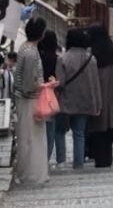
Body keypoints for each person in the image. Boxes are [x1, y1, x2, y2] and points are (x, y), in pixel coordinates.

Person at [13, 17, 56, 185]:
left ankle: (29, 173)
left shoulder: (25, 48)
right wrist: (46, 85)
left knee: (29, 137)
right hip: (29, 99)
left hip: (25, 98)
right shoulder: (31, 52)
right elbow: (29, 83)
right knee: (33, 138)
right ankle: (32, 174)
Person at [56, 28, 100, 170]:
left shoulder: (62, 58)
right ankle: (78, 164)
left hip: (66, 100)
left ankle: (61, 161)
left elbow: (60, 82)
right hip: (85, 101)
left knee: (60, 131)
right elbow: (95, 82)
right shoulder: (91, 59)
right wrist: (97, 102)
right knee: (79, 133)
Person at [86, 24, 113, 168]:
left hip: (96, 95)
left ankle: (98, 158)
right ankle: (107, 158)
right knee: (108, 129)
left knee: (97, 128)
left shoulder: (92, 55)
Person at [37, 30, 67, 168]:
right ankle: (61, 159)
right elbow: (62, 80)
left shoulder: (39, 58)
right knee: (59, 131)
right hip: (57, 97)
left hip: (42, 96)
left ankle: (45, 159)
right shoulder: (58, 59)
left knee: (47, 131)